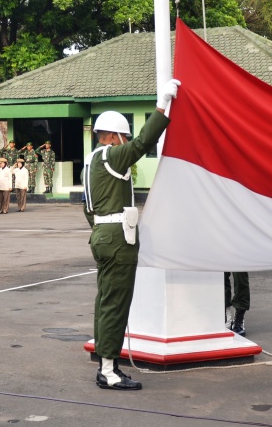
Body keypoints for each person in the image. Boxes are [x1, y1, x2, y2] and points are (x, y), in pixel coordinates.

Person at [85, 79, 178, 390]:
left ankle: (106, 363)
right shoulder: (111, 154)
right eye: (121, 135)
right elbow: (142, 144)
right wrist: (162, 107)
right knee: (115, 304)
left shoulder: (91, 162)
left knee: (105, 301)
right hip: (116, 238)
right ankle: (109, 371)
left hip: (101, 233)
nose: (125, 140)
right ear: (112, 136)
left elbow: (89, 209)